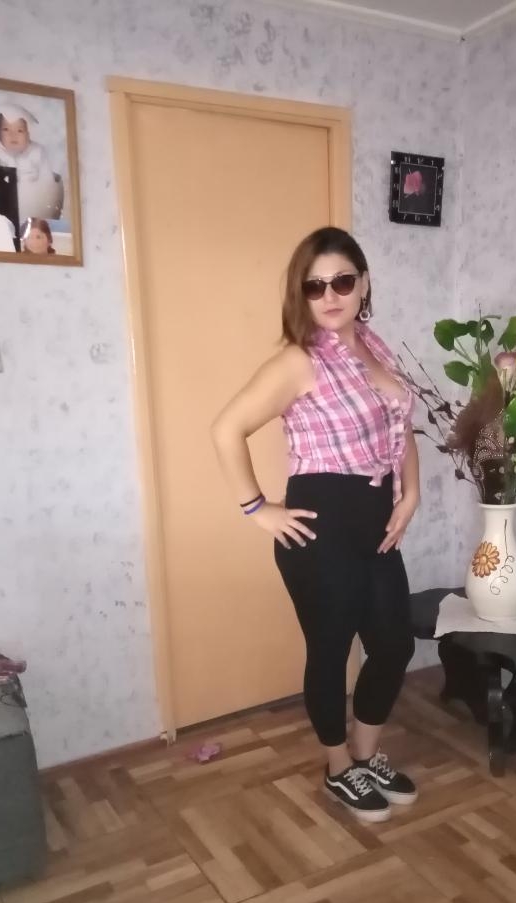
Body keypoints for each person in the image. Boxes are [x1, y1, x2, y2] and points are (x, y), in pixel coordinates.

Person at [211, 227, 420, 823]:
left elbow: (400, 425)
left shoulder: (376, 348)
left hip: (377, 520)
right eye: (315, 285)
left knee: (394, 644)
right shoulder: (298, 361)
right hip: (320, 523)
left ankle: (365, 755)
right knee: (330, 651)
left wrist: (411, 492)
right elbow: (225, 430)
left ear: (364, 284)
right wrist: (257, 508)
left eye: (342, 281)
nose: (330, 295)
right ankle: (338, 768)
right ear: (300, 294)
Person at [0, 102, 62, 221]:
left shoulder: (37, 152)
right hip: (2, 204)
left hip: (31, 204)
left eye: (20, 131)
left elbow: (48, 181)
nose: (13, 135)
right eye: (6, 129)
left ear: (28, 135)